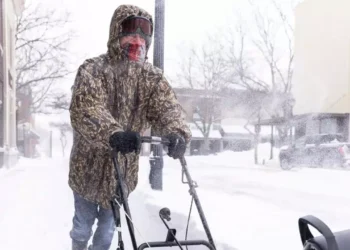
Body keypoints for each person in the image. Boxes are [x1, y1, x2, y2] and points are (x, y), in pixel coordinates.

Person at [68, 4, 191, 250]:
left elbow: (166, 107)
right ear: (116, 34)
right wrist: (113, 134)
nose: (137, 40)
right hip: (87, 169)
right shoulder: (92, 70)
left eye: (143, 34)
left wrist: (176, 132)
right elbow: (86, 109)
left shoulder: (152, 79)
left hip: (121, 173)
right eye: (130, 32)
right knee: (82, 226)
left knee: (105, 234)